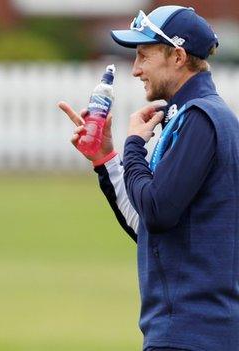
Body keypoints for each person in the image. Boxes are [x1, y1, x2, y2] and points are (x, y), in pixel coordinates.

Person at [59, 5, 239, 351]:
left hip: (192, 333)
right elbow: (148, 227)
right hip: (196, 330)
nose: (136, 69)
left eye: (144, 56)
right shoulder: (193, 116)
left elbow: (156, 210)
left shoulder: (200, 118)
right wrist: (105, 159)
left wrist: (133, 146)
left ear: (178, 56)